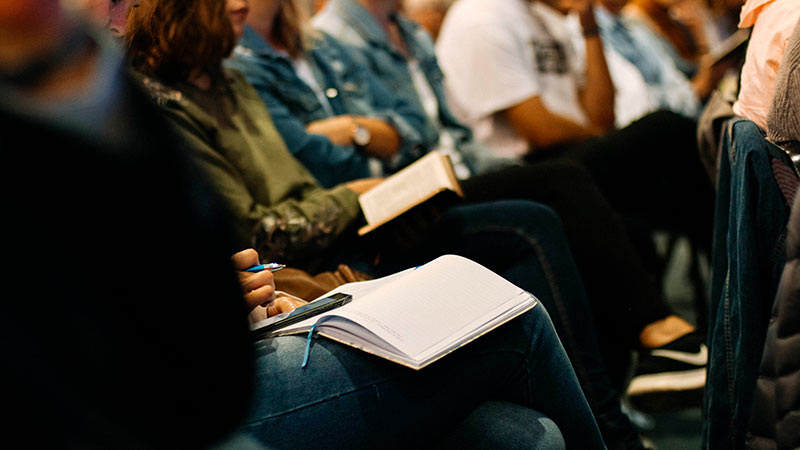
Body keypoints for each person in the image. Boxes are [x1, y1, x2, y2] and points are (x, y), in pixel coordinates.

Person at [122, 0, 616, 447]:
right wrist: (354, 197)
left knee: (529, 435)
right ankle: (618, 430)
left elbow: (400, 133)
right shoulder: (156, 104)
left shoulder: (234, 83)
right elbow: (265, 225)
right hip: (255, 326)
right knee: (517, 307)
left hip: (300, 278)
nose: (242, 4)